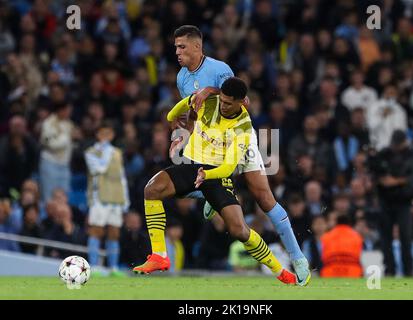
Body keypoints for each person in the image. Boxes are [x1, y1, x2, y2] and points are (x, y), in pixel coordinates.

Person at [170, 25, 310, 285]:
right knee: (184, 179)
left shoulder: (220, 69)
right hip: (210, 140)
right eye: (176, 47)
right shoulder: (182, 78)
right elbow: (195, 112)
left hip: (238, 136)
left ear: (197, 47)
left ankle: (298, 257)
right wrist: (183, 136)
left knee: (263, 197)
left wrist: (209, 90)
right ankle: (213, 192)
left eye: (182, 46)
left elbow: (238, 99)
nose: (177, 51)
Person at [133, 77, 301, 285]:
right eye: (222, 100)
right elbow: (171, 113)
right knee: (151, 189)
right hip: (191, 165)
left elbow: (229, 167)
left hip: (216, 174)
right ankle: (159, 256)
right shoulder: (208, 101)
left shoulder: (243, 128)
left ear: (242, 102)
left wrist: (207, 175)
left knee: (239, 230)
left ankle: (280, 271)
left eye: (229, 103)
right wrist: (179, 112)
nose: (223, 105)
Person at [368, 129, 413, 276]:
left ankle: (408, 270)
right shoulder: (385, 153)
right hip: (385, 200)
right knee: (385, 238)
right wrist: (381, 179)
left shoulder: (412, 154)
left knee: (406, 237)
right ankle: (390, 269)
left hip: (404, 202)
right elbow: (373, 168)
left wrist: (395, 181)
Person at [84, 121, 129, 277]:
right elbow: (99, 168)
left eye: (109, 134)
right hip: (99, 197)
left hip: (116, 197)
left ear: (112, 135)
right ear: (98, 134)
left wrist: (126, 199)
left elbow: (121, 176)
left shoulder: (117, 153)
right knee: (96, 231)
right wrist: (106, 152)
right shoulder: (90, 152)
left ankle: (113, 268)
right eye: (103, 133)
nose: (106, 137)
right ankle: (93, 266)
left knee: (114, 232)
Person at [39, 101, 74, 202]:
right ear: (61, 110)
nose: (69, 113)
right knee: (49, 197)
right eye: (68, 110)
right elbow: (50, 144)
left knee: (64, 196)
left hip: (64, 165)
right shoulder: (48, 123)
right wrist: (67, 138)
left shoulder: (69, 123)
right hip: (50, 163)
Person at [320, 214, 363, 278]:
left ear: (336, 223)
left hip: (330, 271)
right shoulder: (357, 237)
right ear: (349, 223)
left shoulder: (326, 236)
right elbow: (358, 256)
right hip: (353, 272)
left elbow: (323, 257)